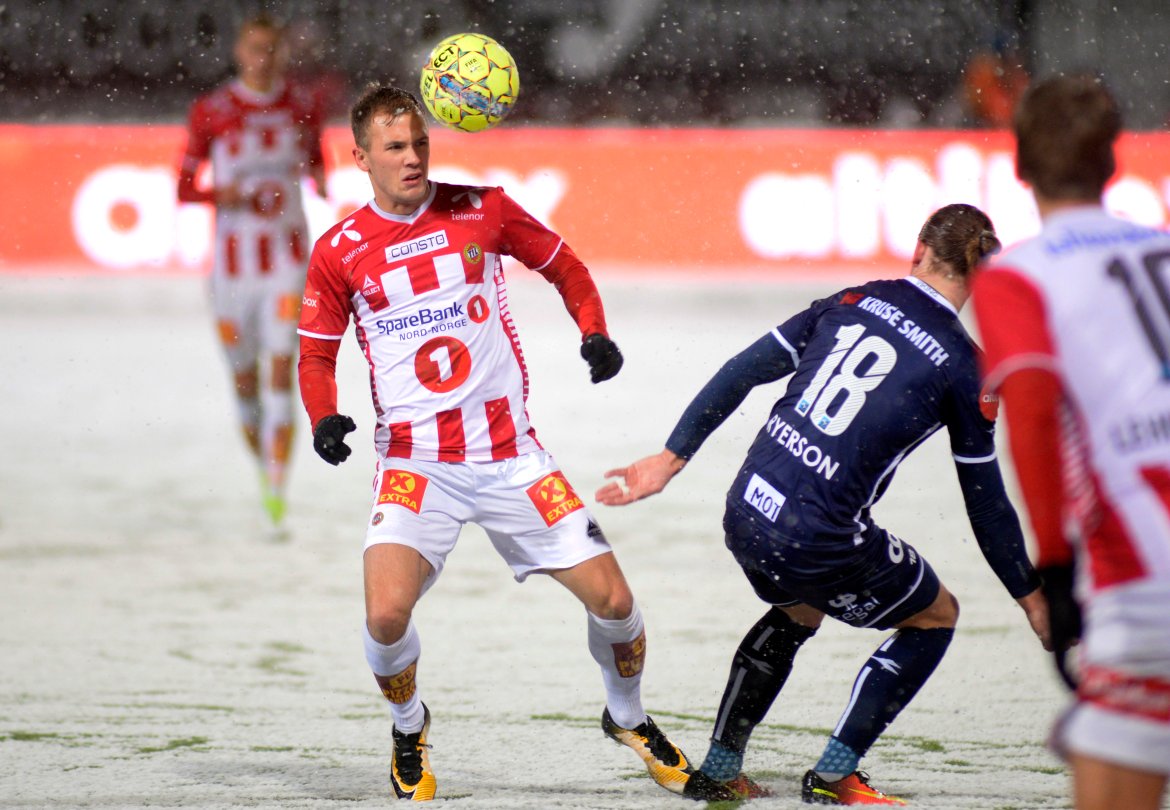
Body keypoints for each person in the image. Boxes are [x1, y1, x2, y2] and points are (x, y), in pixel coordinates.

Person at [296, 84, 692, 801]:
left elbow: (565, 266)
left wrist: (593, 330)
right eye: (395, 148)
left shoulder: (485, 208)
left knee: (615, 605)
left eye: (420, 143)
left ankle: (627, 718)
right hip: (417, 465)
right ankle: (408, 725)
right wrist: (323, 415)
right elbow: (315, 354)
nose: (412, 157)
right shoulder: (340, 250)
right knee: (385, 615)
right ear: (359, 157)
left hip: (512, 457)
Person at [597, 203, 1050, 804]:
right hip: (816, 536)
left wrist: (670, 458)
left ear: (918, 249)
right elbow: (986, 503)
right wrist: (1031, 596)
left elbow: (741, 371)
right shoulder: (968, 370)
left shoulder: (854, 299)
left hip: (748, 509)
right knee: (936, 614)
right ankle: (834, 775)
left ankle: (722, 768)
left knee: (801, 606)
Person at [972, 75, 1170, 810]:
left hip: (1140, 572)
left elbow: (1029, 411)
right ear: (1113, 163)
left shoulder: (1017, 276)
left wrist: (1053, 565)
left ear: (1018, 167)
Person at [177, 13, 327, 527]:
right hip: (232, 271)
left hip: (287, 261)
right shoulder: (211, 110)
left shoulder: (303, 106)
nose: (265, 57)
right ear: (240, 51)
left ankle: (278, 484)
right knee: (243, 379)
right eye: (256, 47)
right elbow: (182, 188)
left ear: (284, 53)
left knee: (281, 370)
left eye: (274, 48)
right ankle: (264, 475)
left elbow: (319, 168)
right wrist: (225, 194)